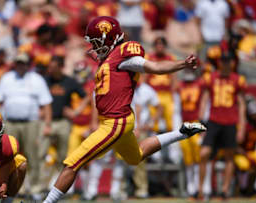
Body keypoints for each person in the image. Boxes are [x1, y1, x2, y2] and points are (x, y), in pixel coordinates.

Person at [43, 16, 206, 203]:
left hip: (115, 122)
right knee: (136, 156)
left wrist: (182, 64)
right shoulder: (110, 60)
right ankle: (181, 133)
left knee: (73, 163)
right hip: (115, 120)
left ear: (109, 40)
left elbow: (156, 67)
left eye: (96, 43)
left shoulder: (124, 57)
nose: (94, 48)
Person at [0, 53, 52, 197]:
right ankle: (11, 188)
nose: (21, 66)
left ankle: (35, 188)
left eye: (23, 63)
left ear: (28, 64)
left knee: (34, 155)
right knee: (8, 156)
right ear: (15, 64)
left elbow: (46, 103)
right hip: (10, 122)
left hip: (31, 123)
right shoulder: (7, 78)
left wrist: (47, 125)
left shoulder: (37, 79)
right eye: (18, 63)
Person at [198, 52, 247, 200]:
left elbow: (242, 105)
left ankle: (225, 190)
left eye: (228, 61)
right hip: (213, 121)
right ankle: (201, 189)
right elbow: (204, 100)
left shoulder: (237, 79)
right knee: (204, 153)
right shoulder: (211, 78)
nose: (225, 64)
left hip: (230, 122)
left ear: (232, 63)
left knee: (229, 156)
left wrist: (242, 127)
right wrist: (201, 123)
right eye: (223, 61)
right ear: (219, 62)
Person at [130, 80, 162, 198]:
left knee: (140, 160)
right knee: (120, 161)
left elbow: (159, 107)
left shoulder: (146, 89)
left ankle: (141, 189)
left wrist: (151, 122)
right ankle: (120, 189)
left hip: (141, 130)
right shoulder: (123, 85)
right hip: (124, 128)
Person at [177, 68, 204, 198]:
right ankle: (190, 187)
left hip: (196, 122)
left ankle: (199, 187)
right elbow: (176, 106)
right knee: (187, 157)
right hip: (184, 123)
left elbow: (205, 105)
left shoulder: (200, 84)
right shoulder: (180, 85)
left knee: (198, 157)